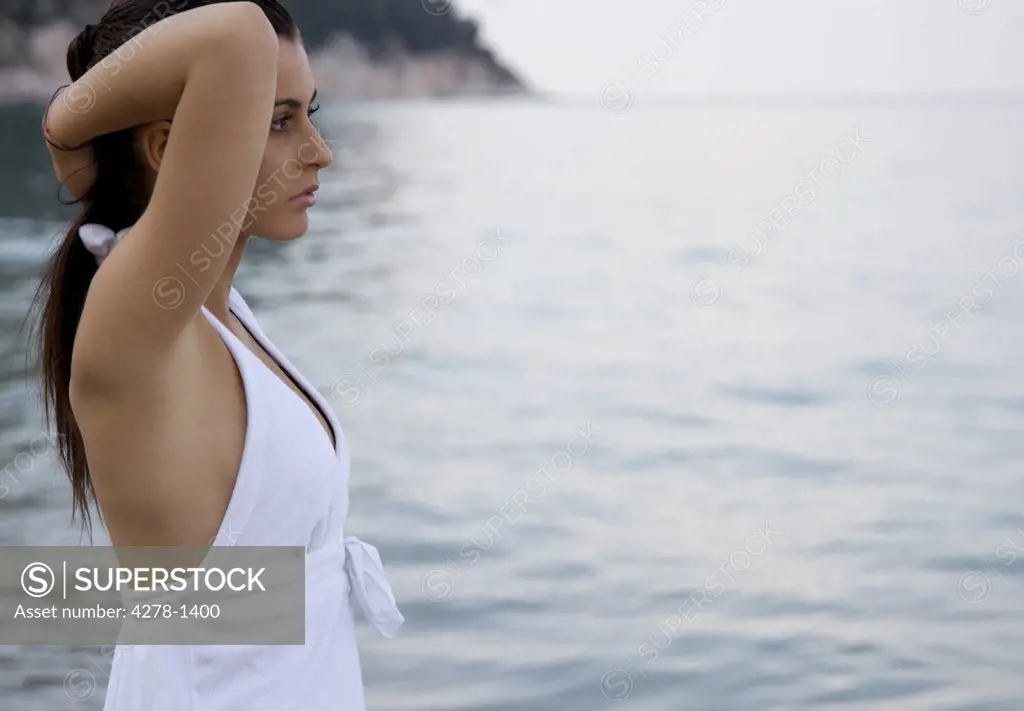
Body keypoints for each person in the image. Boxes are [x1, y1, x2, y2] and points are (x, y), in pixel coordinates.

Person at [30, 1, 404, 708]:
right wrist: (66, 125)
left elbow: (243, 608)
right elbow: (236, 35)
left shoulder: (220, 319)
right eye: (278, 120)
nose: (319, 150)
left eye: (309, 113)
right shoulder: (137, 324)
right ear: (169, 149)